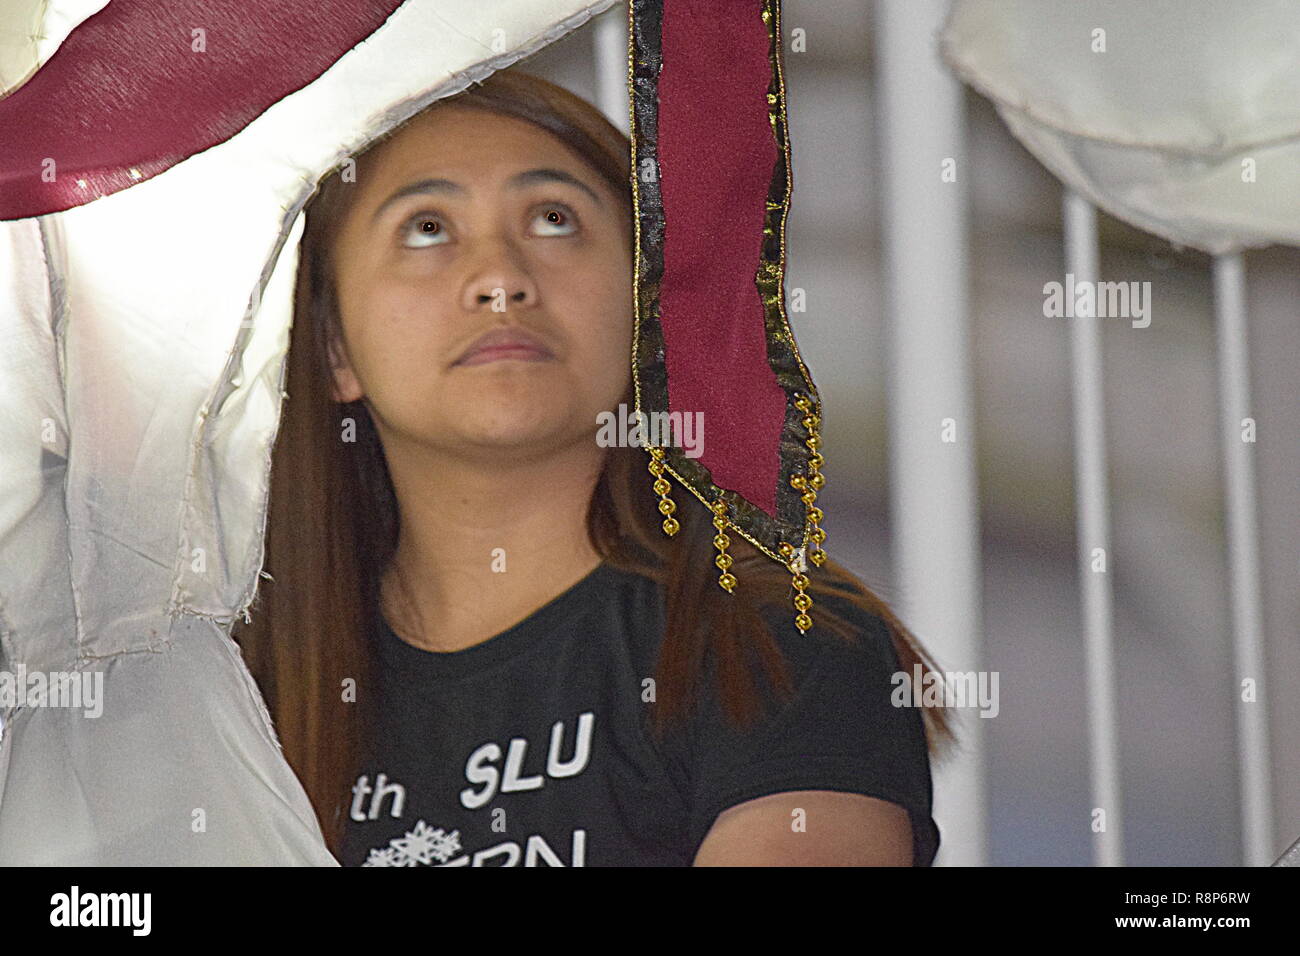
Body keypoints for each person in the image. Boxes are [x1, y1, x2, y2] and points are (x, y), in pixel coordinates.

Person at [233, 68, 956, 867]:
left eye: (552, 218)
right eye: (428, 228)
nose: (501, 278)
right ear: (335, 349)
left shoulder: (781, 644)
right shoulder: (237, 698)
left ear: (643, 308)